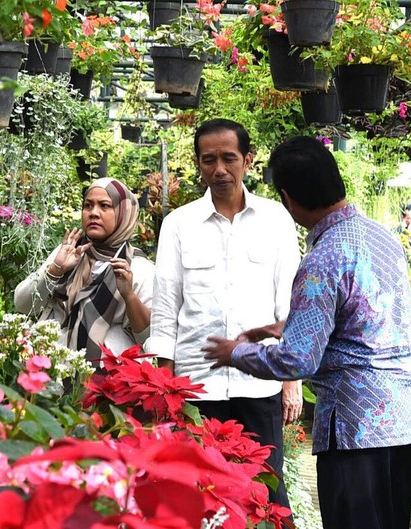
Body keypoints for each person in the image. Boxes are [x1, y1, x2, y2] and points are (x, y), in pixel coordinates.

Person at [203, 135, 411, 529]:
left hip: (359, 424)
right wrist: (286, 325)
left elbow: (297, 359)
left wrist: (234, 353)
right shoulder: (382, 237)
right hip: (408, 414)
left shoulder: (322, 259)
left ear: (288, 198)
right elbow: (367, 316)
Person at [144, 118, 302, 509]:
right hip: (198, 388)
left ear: (247, 160)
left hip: (259, 386)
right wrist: (165, 386)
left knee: (265, 499)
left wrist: (290, 379)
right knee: (199, 499)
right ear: (198, 163)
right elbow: (166, 307)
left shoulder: (276, 220)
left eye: (228, 158)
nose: (219, 169)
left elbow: (289, 303)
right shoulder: (178, 225)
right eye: (208, 159)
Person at [14, 177, 155, 361]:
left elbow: (148, 338)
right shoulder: (69, 252)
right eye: (88, 205)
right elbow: (23, 305)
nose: (93, 213)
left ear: (123, 213)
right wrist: (55, 270)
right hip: (49, 370)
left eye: (104, 206)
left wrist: (129, 296)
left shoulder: (137, 267)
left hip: (108, 378)